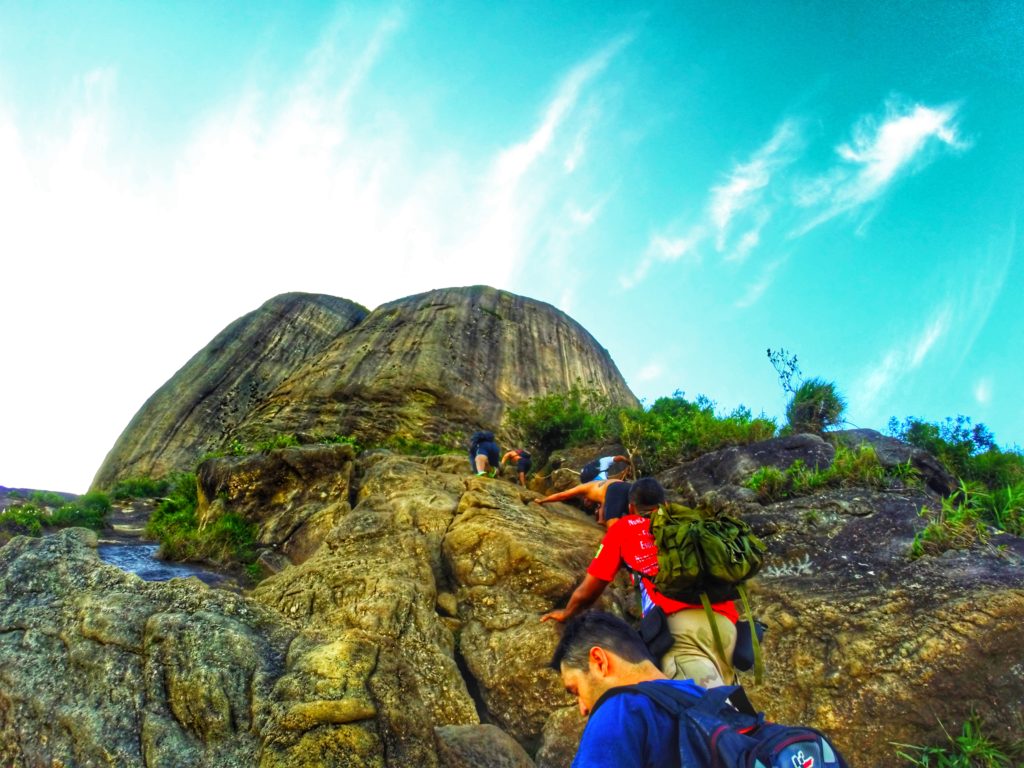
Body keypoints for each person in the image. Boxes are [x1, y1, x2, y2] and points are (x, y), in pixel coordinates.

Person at [540, 478, 738, 689]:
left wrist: (567, 612)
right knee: (731, 701)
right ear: (666, 504)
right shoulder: (689, 522)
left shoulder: (625, 528)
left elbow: (589, 590)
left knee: (709, 711)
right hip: (726, 624)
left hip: (681, 631)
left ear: (631, 507)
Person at [550, 611, 703, 768]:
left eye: (576, 690)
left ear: (599, 661)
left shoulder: (619, 710)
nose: (582, 708)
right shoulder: (702, 697)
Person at [535, 478, 632, 525]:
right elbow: (605, 503)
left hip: (615, 490)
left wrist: (542, 501)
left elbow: (562, 495)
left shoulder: (584, 487)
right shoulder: (600, 488)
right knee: (637, 517)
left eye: (587, 503)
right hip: (627, 487)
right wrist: (601, 520)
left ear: (584, 498)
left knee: (613, 530)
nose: (587, 503)